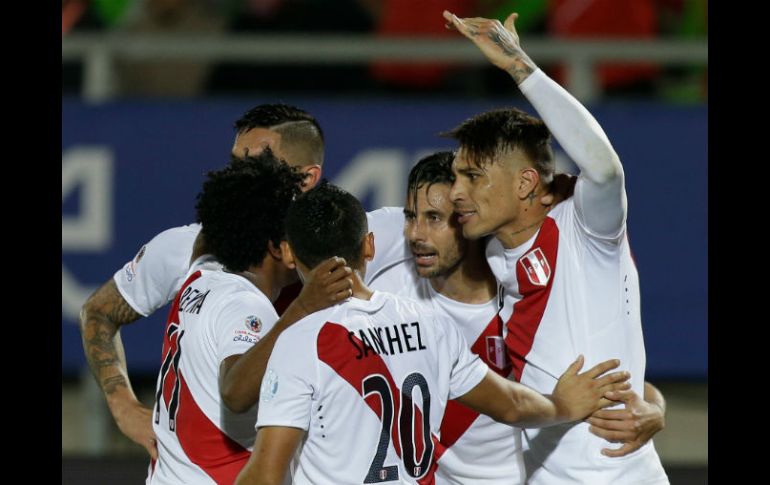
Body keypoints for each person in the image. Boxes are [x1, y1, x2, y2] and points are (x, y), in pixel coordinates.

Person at [233, 182, 631, 485]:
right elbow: (511, 406)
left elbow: (265, 476)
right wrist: (563, 405)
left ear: (289, 254)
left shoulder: (300, 341)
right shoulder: (431, 324)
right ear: (369, 246)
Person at [443, 10, 669, 483]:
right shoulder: (492, 255)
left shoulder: (584, 229)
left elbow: (605, 169)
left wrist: (520, 66)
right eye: (456, 177)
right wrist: (655, 402)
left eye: (473, 177)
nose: (457, 192)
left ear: (526, 183)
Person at [369, 152, 666, 484]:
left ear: (467, 219)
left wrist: (654, 410)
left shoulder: (523, 303)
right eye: (411, 216)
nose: (415, 233)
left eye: (435, 218)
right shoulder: (389, 285)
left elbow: (610, 379)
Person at [78, 103, 327, 459]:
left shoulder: (348, 257)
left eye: (257, 163)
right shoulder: (187, 247)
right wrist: (124, 407)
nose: (240, 175)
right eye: (235, 162)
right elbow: (99, 312)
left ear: (307, 178)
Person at [148, 152, 351, 484]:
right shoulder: (245, 306)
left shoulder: (197, 278)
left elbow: (207, 239)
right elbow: (235, 391)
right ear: (278, 248)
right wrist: (302, 307)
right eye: (295, 232)